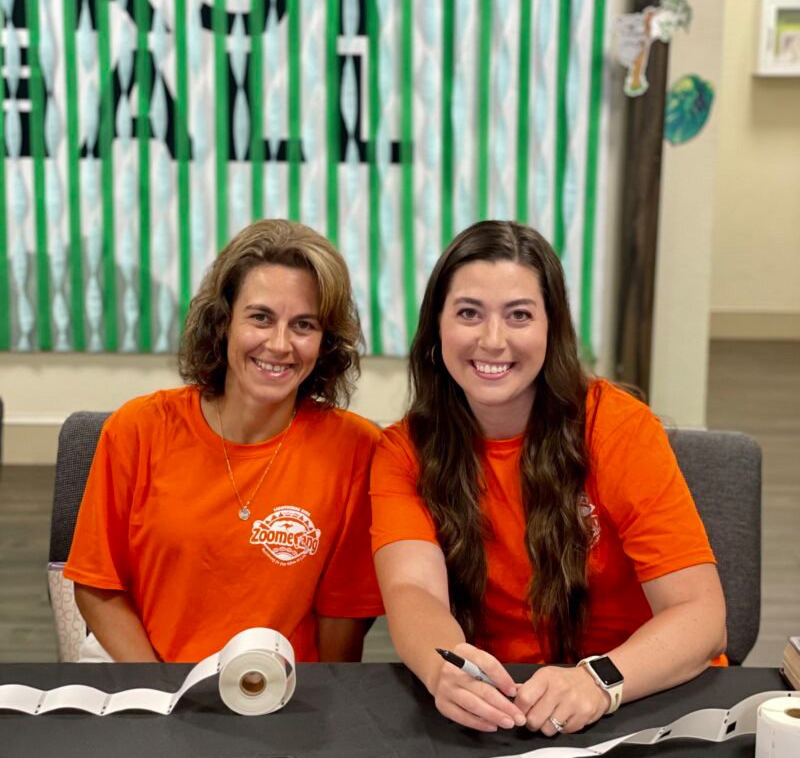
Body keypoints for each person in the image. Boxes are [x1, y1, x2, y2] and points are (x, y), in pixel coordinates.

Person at [370, 220, 727, 735]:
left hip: (639, 693)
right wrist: (443, 667)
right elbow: (411, 590)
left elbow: (702, 616)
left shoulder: (617, 427)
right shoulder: (405, 449)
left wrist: (599, 680)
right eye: (469, 313)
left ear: (550, 328)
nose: (493, 340)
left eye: (519, 315)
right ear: (437, 328)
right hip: (514, 705)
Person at [65, 219, 383, 662]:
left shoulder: (356, 449)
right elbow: (98, 587)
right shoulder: (138, 427)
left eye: (304, 325)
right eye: (260, 318)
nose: (279, 344)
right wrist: (164, 696)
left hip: (283, 696)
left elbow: (342, 617)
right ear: (223, 322)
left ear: (326, 341)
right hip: (153, 682)